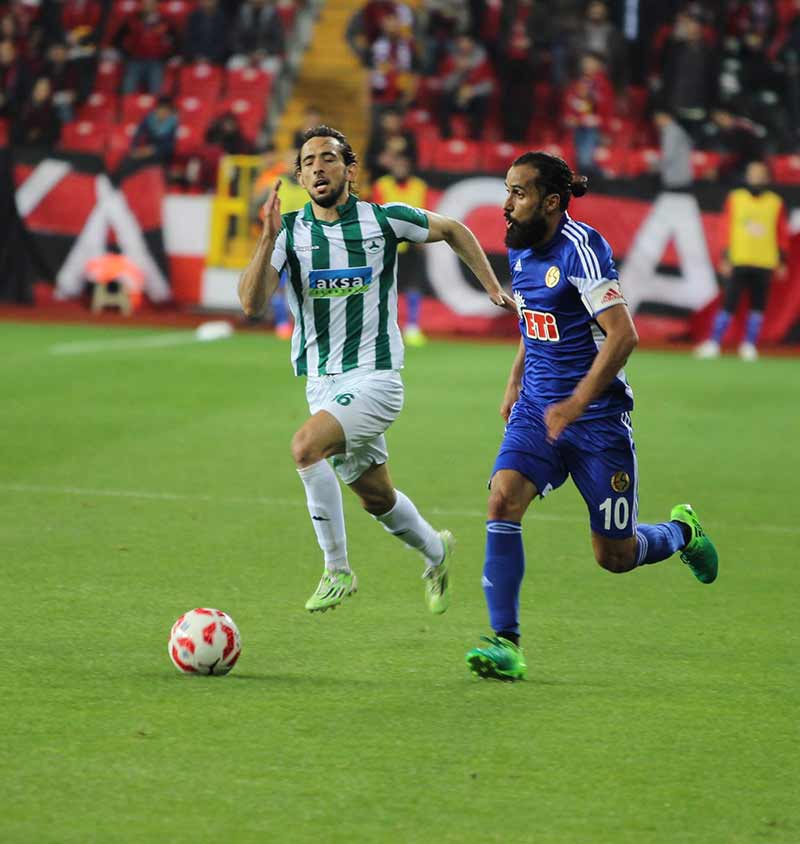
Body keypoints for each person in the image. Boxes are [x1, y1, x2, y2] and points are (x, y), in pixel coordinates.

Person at [238, 124, 515, 614]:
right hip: (323, 385)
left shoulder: (383, 221)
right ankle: (436, 551)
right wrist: (266, 238)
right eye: (308, 161)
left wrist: (492, 286)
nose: (318, 167)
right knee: (376, 498)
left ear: (350, 168)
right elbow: (252, 304)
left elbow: (454, 228)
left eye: (328, 157)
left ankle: (336, 570)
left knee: (305, 448)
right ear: (300, 177)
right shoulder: (292, 233)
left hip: (377, 378)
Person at [465, 151, 719, 681]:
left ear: (551, 202)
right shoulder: (521, 246)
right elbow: (535, 321)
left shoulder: (583, 250)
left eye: (518, 193)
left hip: (597, 420)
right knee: (501, 499)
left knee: (615, 556)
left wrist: (577, 402)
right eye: (506, 190)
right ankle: (505, 643)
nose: (506, 205)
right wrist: (515, 381)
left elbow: (624, 335)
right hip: (538, 410)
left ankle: (681, 533)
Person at [695, 160, 789, 362]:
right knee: (729, 303)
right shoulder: (736, 198)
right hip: (739, 258)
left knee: (758, 305)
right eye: (753, 173)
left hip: (765, 261)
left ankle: (750, 344)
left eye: (760, 173)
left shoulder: (775, 202)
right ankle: (714, 342)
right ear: (747, 176)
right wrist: (725, 256)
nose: (756, 177)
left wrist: (782, 260)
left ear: (767, 177)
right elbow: (725, 228)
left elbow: (781, 232)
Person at [371, 151, 429, 345]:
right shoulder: (381, 185)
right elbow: (378, 214)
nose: (400, 168)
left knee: (413, 286)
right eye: (397, 164)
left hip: (412, 244)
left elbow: (425, 212)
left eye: (404, 164)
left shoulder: (420, 186)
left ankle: (412, 327)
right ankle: (384, 328)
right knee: (385, 288)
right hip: (389, 245)